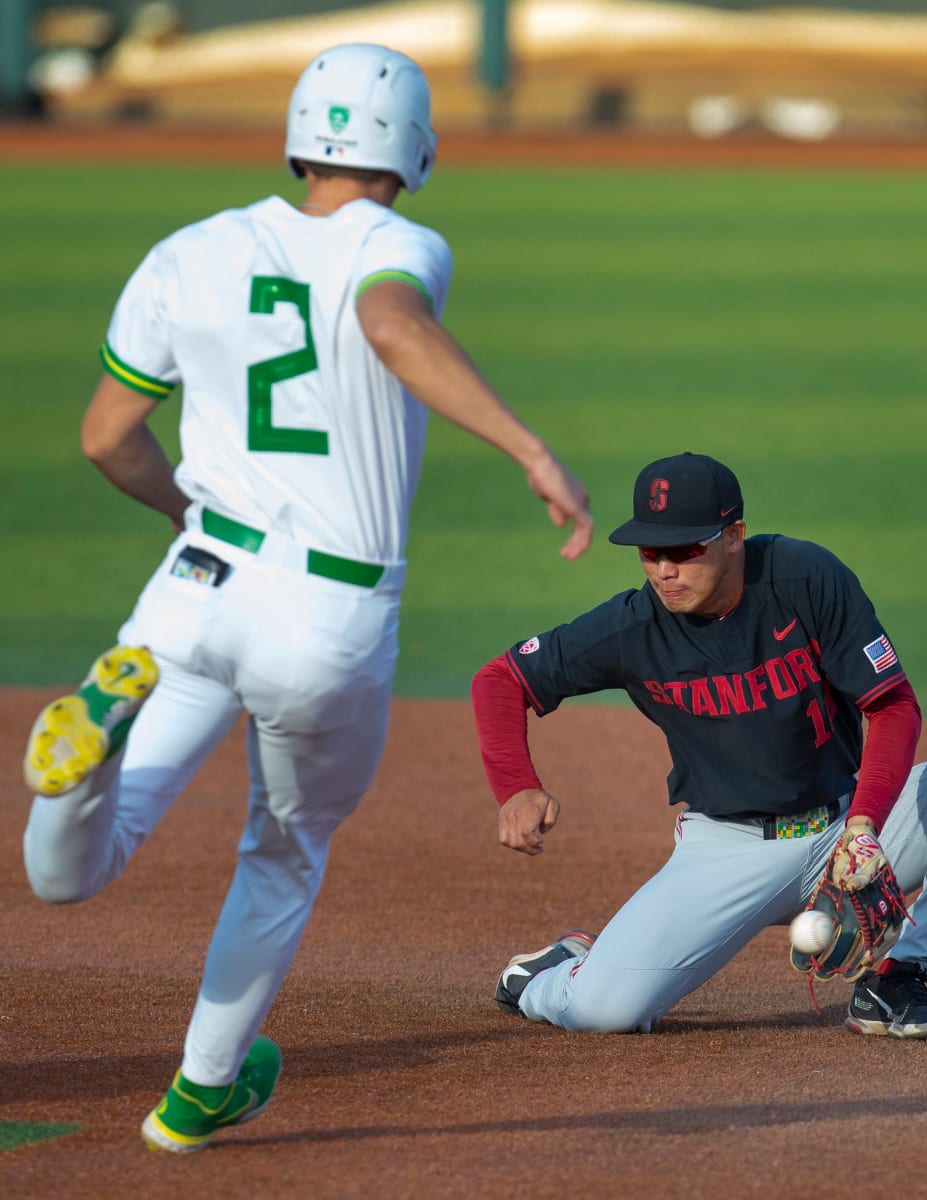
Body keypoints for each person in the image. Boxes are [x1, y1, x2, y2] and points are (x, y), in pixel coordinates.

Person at [21, 42, 592, 1154]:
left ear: (297, 137)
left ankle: (86, 750)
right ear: (414, 148)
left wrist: (190, 512)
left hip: (194, 586)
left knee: (72, 872)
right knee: (283, 849)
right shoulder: (398, 242)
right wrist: (529, 449)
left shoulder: (190, 250)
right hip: (325, 619)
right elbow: (387, 323)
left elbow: (105, 439)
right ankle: (198, 1091)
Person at [471, 451, 927, 1040]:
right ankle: (548, 974)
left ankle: (895, 978)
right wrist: (515, 785)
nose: (664, 571)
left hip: (845, 829)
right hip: (727, 850)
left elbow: (892, 705)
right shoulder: (633, 628)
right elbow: (500, 679)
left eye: (684, 551)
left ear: (734, 536)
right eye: (651, 553)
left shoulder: (805, 580)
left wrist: (864, 826)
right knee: (605, 1012)